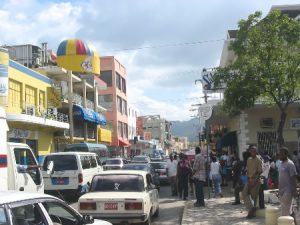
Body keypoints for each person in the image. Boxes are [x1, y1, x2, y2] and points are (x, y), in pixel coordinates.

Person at [242, 145, 262, 219]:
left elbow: (260, 172)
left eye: (254, 151)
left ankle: (253, 212)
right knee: (244, 192)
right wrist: (245, 172)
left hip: (256, 180)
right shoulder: (248, 159)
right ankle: (251, 208)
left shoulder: (258, 160)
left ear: (256, 152)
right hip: (249, 179)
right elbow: (247, 169)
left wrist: (254, 180)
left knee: (254, 196)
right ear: (250, 152)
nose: (252, 152)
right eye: (251, 151)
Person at [278, 147, 298, 224]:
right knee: (290, 210)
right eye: (279, 154)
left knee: (284, 213)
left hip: (288, 190)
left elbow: (293, 178)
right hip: (282, 190)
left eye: (281, 154)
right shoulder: (281, 163)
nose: (279, 156)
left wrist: (295, 190)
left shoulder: (290, 164)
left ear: (286, 154)